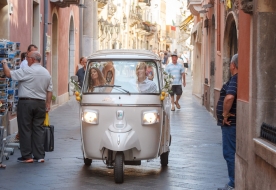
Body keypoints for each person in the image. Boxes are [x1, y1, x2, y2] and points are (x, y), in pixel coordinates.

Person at [1, 51, 53, 163]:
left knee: (25, 128)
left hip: (26, 103)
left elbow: (9, 74)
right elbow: (49, 90)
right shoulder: (46, 72)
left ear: (33, 59)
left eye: (28, 58)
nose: (26, 59)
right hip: (40, 103)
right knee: (38, 129)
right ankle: (39, 156)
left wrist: (4, 62)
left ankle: (27, 156)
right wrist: (48, 103)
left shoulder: (28, 71)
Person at [216, 54, 238, 190]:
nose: (229, 65)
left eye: (230, 63)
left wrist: (224, 115)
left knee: (229, 153)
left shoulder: (235, 79)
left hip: (230, 124)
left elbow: (229, 97)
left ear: (233, 65)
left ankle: (233, 183)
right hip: (232, 123)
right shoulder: (235, 79)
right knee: (230, 152)